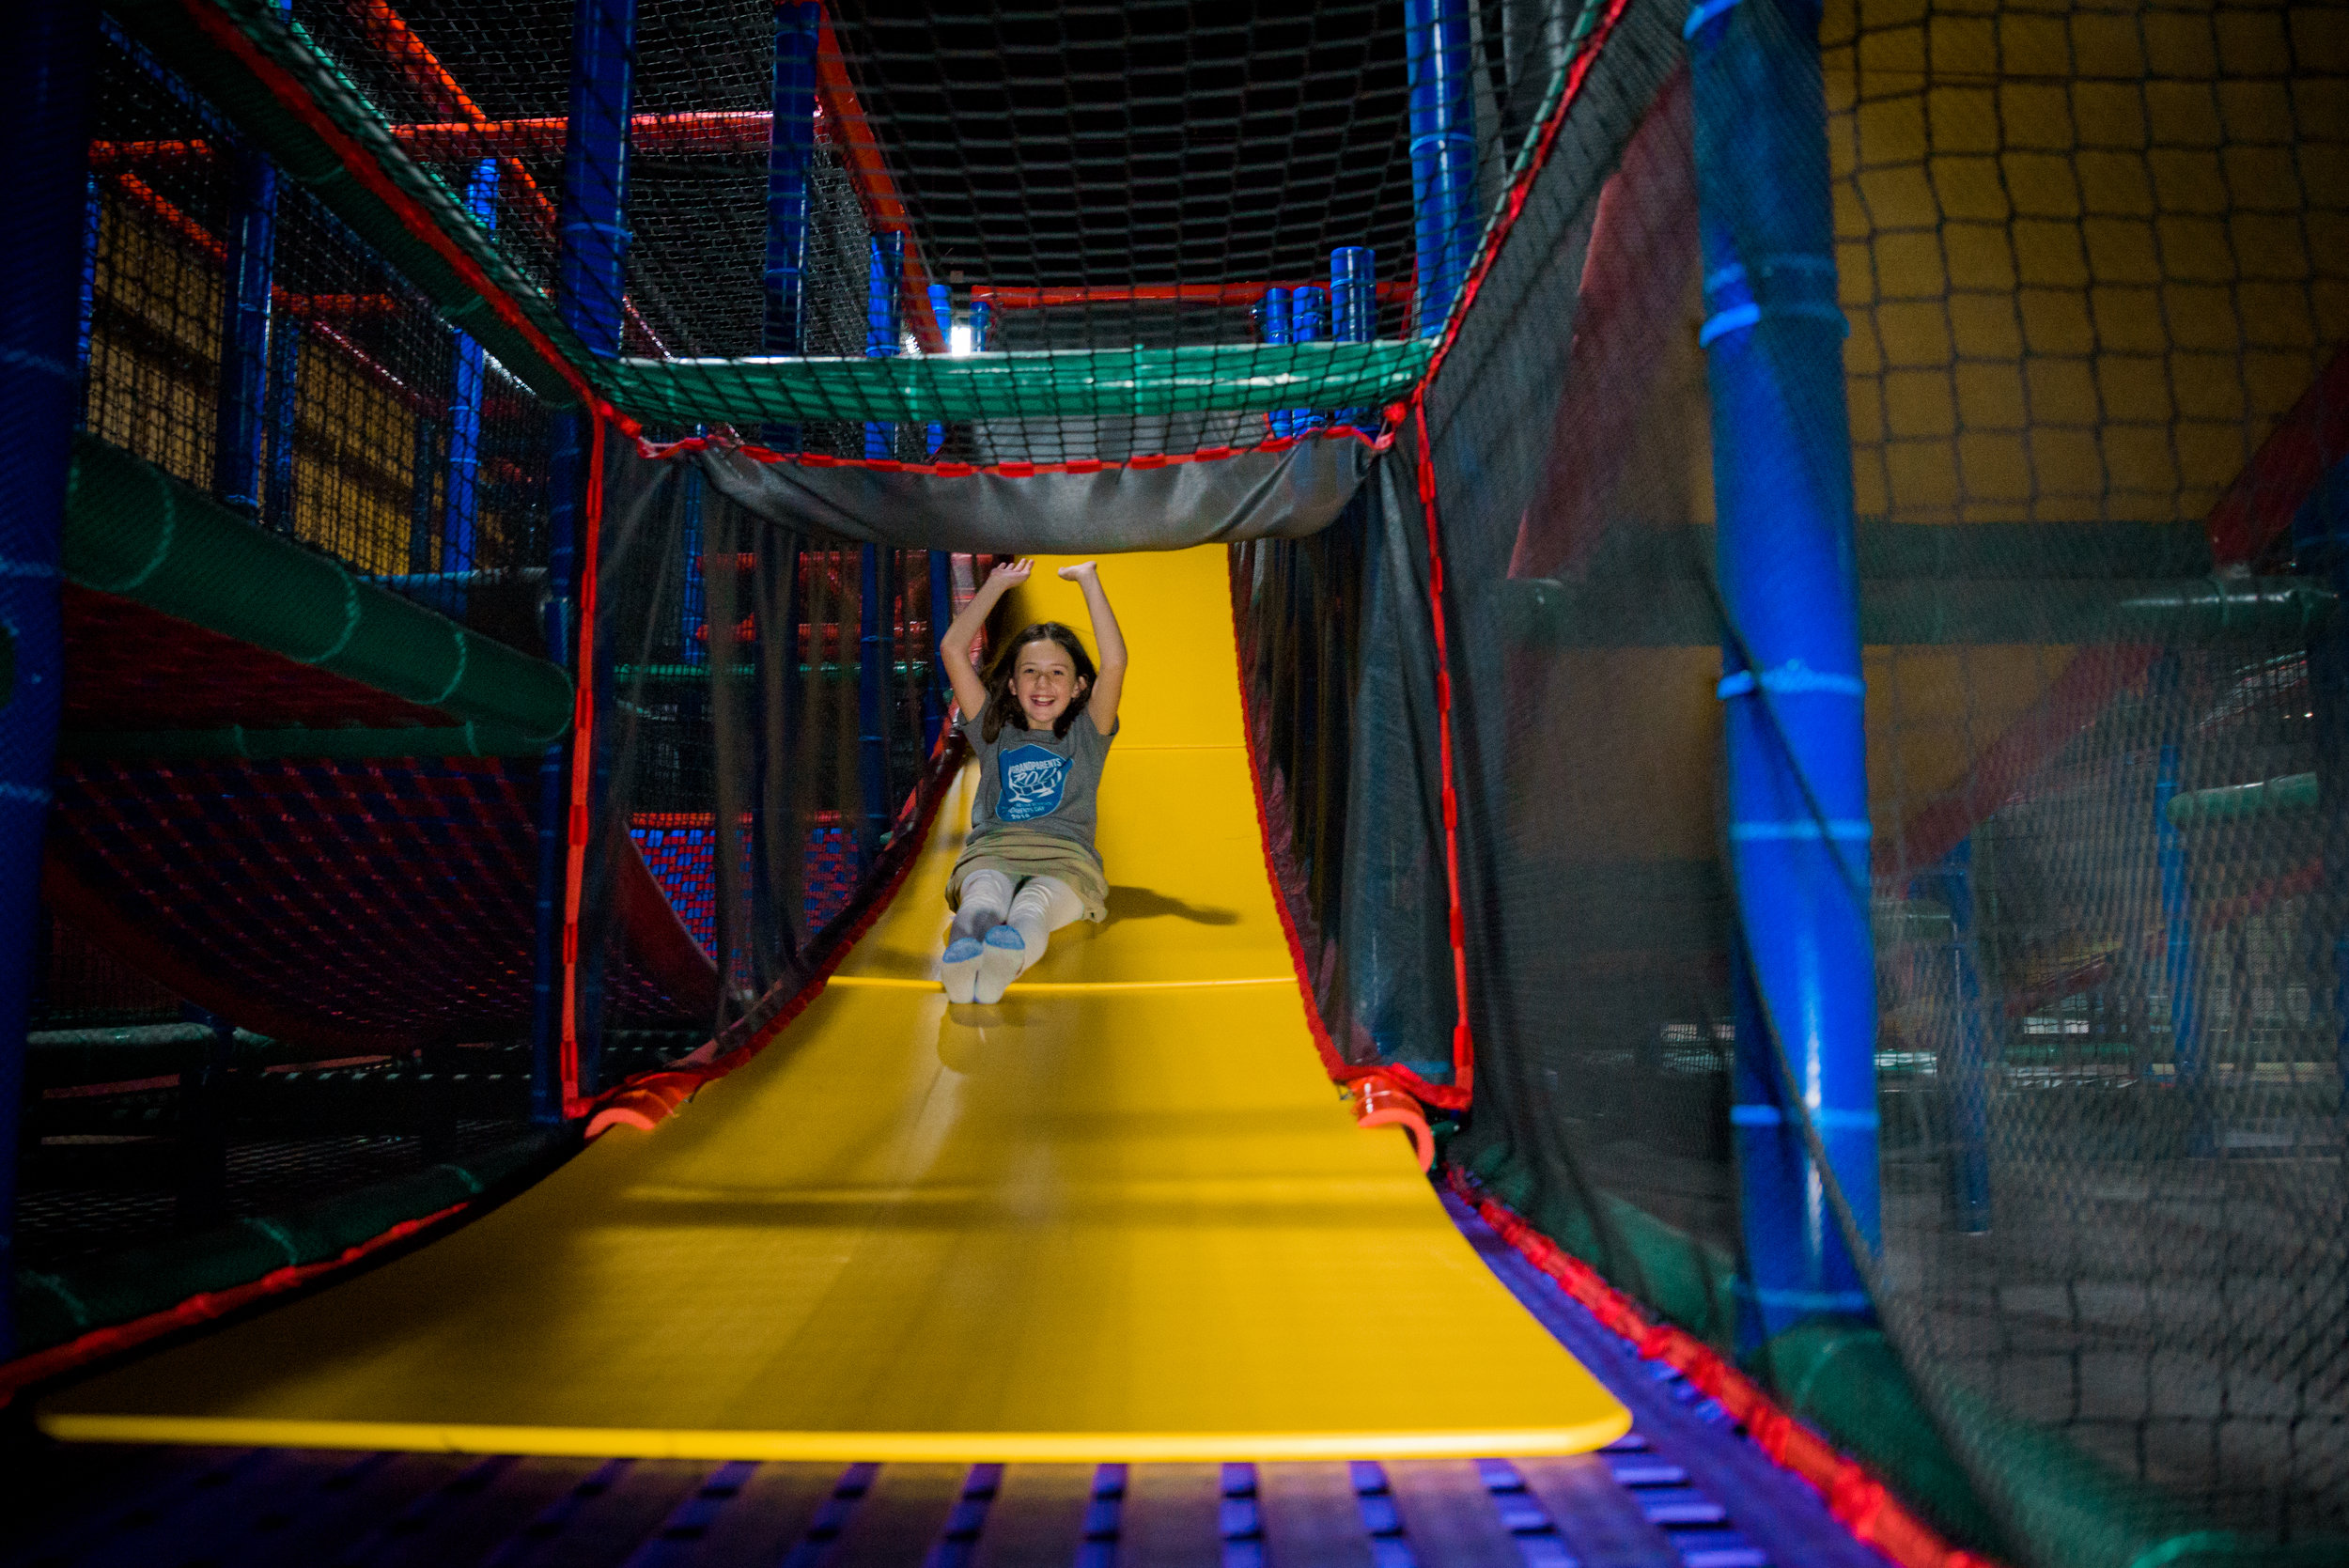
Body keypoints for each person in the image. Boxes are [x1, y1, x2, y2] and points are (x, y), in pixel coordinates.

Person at [935, 557, 1127, 1004]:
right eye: (1030, 671)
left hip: (1065, 860)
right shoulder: (992, 729)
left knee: (1032, 907)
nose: (1043, 682)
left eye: (1057, 672)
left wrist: (1089, 581)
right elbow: (952, 649)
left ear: (1079, 686)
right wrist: (996, 585)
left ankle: (998, 969)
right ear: (1013, 686)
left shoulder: (1089, 733)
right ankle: (962, 972)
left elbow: (1114, 662)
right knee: (983, 898)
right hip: (995, 849)